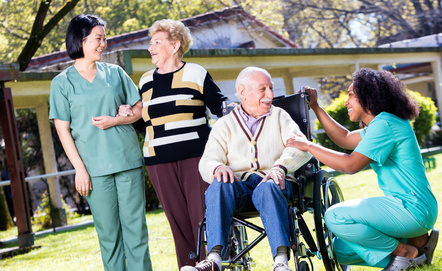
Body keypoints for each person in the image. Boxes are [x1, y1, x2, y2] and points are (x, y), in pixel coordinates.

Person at [286, 68, 438, 271]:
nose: (346, 102)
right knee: (337, 251)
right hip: (407, 208)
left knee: (335, 216)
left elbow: (350, 165)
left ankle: (406, 252)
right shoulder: (380, 125)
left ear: (369, 96)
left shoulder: (385, 124)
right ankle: (417, 249)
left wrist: (307, 146)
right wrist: (315, 106)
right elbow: (344, 138)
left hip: (412, 208)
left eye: (351, 95)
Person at [118, 19, 230, 268]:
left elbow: (219, 106)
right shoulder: (146, 81)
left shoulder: (196, 73)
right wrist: (129, 113)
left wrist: (239, 113)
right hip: (158, 160)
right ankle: (188, 266)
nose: (150, 47)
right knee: (177, 221)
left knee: (201, 216)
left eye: (157, 42)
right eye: (150, 42)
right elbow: (145, 122)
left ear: (175, 44)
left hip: (196, 156)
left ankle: (209, 265)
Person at [180, 67, 312, 271]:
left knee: (268, 187)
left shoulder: (279, 116)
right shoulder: (224, 125)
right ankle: (213, 260)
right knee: (218, 185)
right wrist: (217, 167)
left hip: (274, 185)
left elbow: (302, 147)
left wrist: (280, 167)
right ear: (243, 92)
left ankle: (281, 263)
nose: (270, 95)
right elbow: (206, 162)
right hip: (239, 189)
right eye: (263, 89)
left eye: (271, 88)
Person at [49, 14, 152, 271]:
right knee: (109, 237)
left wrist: (116, 120)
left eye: (105, 39)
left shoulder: (115, 73)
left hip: (126, 160)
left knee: (136, 232)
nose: (103, 44)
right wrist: (79, 169)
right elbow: (63, 131)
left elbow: (139, 110)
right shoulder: (61, 83)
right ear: (80, 40)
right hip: (93, 170)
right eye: (98, 38)